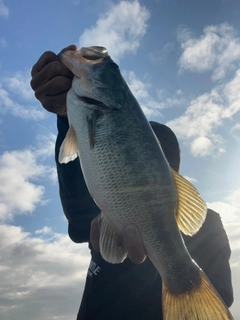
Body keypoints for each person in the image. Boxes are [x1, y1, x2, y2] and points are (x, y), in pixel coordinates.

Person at [31, 45, 234, 319]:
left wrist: (151, 264)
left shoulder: (208, 225)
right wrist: (66, 118)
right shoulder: (101, 211)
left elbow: (223, 293)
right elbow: (79, 221)